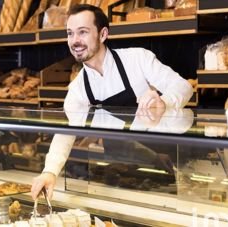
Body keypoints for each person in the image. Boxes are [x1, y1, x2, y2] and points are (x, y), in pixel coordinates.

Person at [31, 4, 193, 200]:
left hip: (164, 166)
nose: (75, 41)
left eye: (82, 32)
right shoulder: (77, 90)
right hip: (119, 172)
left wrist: (164, 102)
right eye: (70, 33)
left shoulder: (137, 59)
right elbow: (66, 133)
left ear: (102, 34)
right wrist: (50, 171)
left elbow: (184, 87)